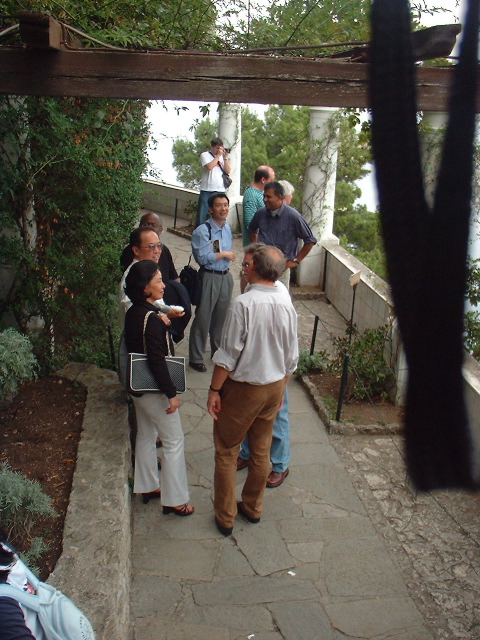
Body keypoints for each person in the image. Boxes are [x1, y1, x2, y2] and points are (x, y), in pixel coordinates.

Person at [207, 244, 298, 536]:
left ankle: (225, 516)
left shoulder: (243, 304)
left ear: (256, 270)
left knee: (226, 451)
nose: (243, 271)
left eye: (246, 266)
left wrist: (214, 390)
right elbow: (292, 357)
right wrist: (281, 385)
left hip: (245, 389)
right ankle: (253, 507)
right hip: (274, 387)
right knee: (261, 451)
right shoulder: (285, 301)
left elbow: (227, 355)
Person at [123, 260, 194, 515]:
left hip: (138, 388)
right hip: (154, 391)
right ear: (145, 288)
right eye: (158, 281)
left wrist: (163, 322)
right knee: (174, 440)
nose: (164, 286)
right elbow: (157, 360)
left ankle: (148, 485)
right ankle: (175, 500)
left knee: (146, 434)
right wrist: (171, 394)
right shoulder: (152, 319)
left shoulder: (136, 312)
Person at [236, 244, 292, 489]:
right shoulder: (251, 287)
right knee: (250, 416)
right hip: (254, 370)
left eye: (247, 266)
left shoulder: (278, 294)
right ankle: (247, 453)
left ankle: (280, 464)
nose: (244, 270)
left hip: (274, 372)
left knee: (277, 418)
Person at [188, 193, 235, 373]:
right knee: (203, 318)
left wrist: (224, 256)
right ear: (210, 209)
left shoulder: (226, 228)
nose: (223, 209)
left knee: (221, 319)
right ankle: (196, 357)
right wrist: (223, 254)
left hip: (225, 276)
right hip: (209, 276)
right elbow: (202, 258)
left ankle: (217, 352)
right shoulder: (203, 231)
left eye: (225, 205)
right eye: (218, 205)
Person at [248, 180, 317, 290]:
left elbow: (310, 240)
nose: (265, 200)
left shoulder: (293, 216)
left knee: (279, 299)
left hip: (281, 271)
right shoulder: (261, 213)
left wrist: (296, 261)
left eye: (269, 197)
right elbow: (251, 229)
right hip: (260, 266)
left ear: (280, 197)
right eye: (264, 196)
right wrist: (255, 247)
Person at [118, 226, 184, 331]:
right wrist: (162, 316)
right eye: (151, 246)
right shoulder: (131, 277)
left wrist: (167, 311)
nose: (157, 251)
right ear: (136, 250)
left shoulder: (150, 271)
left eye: (159, 245)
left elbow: (156, 303)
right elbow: (133, 313)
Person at [196, 137, 231, 228]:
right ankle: (199, 232)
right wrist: (218, 156)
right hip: (207, 190)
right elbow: (209, 167)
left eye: (220, 148)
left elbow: (228, 171)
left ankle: (218, 231)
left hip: (219, 190)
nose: (219, 150)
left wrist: (225, 158)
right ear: (211, 147)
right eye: (217, 148)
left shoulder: (222, 158)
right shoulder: (205, 155)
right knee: (202, 214)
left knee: (220, 213)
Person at [242, 166, 275, 246]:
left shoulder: (260, 192)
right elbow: (250, 223)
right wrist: (256, 247)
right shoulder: (252, 196)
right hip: (256, 246)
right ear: (263, 180)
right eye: (271, 180)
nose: (273, 183)